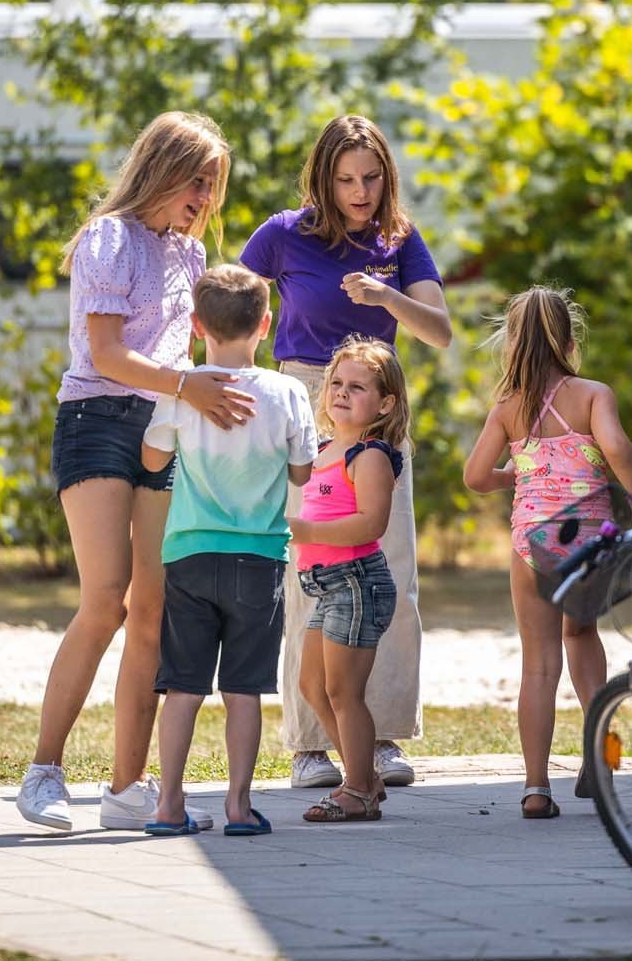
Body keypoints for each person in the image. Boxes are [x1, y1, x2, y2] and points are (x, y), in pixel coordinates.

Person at [17, 111, 255, 834]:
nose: (206, 197)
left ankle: (126, 786)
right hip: (96, 422)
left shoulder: (190, 254)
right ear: (161, 167)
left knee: (152, 605)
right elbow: (110, 354)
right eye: (198, 180)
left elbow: (186, 355)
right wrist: (188, 388)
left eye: (214, 186)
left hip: (161, 425)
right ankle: (43, 772)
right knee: (106, 598)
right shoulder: (108, 238)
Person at [239, 114, 450, 791]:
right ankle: (309, 743)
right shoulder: (282, 233)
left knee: (389, 570)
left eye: (371, 177)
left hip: (380, 406)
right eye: (346, 179)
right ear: (323, 179)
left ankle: (380, 734)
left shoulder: (399, 240)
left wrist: (387, 294)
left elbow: (440, 331)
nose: (360, 191)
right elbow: (226, 307)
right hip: (304, 398)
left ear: (387, 176)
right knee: (314, 565)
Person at [463, 287, 632, 820]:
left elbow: (476, 477)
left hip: (530, 539)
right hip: (586, 538)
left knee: (538, 665)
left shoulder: (507, 409)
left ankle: (535, 787)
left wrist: (519, 475)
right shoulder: (593, 395)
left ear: (513, 346)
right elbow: (616, 448)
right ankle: (598, 761)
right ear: (570, 342)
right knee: (582, 634)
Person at [139, 265, 316, 837]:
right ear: (265, 323)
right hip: (259, 556)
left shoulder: (184, 390)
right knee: (244, 689)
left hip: (189, 552)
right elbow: (302, 470)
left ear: (195, 326)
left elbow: (151, 461)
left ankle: (168, 804)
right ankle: (239, 807)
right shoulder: (287, 391)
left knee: (183, 686)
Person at [288, 337, 409, 823]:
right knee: (314, 686)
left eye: (357, 387)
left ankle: (357, 789)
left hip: (357, 582)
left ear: (384, 404)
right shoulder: (322, 450)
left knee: (343, 691)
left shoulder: (370, 455)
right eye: (336, 383)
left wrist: (306, 531)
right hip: (328, 587)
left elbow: (370, 524)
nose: (341, 392)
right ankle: (363, 778)